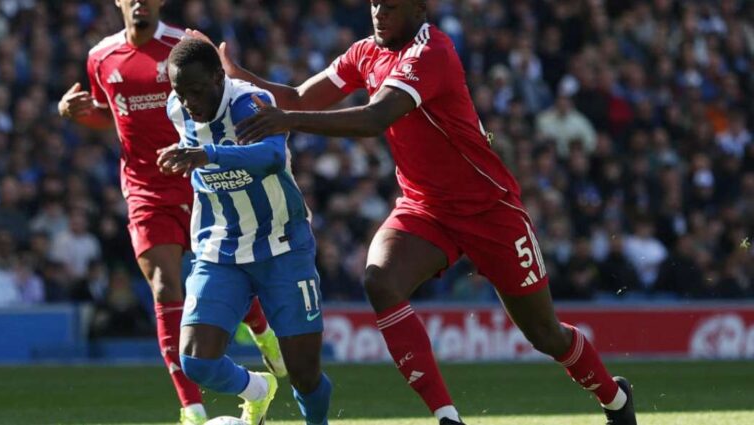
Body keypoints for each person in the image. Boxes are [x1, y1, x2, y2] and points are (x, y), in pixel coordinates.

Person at [190, 1, 637, 424]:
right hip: (424, 209)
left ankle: (614, 397)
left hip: (490, 210)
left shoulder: (432, 52)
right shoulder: (364, 51)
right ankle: (446, 416)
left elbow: (373, 118)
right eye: (374, 5)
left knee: (544, 335)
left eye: (391, 5)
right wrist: (236, 77)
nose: (380, 14)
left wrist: (287, 121)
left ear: (419, 8)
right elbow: (299, 96)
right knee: (379, 278)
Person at [56, 1, 285, 423]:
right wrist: (77, 113)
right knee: (166, 284)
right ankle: (193, 408)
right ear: (118, 2)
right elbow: (112, 114)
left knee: (221, 268)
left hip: (201, 176)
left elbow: (222, 100)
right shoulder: (101, 57)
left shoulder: (185, 46)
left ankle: (262, 332)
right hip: (146, 188)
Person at [156, 38, 332, 425]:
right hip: (220, 247)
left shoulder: (250, 103)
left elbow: (270, 156)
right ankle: (258, 389)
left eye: (197, 91)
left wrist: (209, 154)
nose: (188, 102)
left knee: (304, 375)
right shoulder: (177, 110)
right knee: (196, 361)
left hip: (282, 244)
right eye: (180, 92)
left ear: (220, 77)